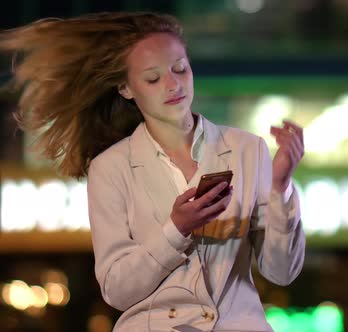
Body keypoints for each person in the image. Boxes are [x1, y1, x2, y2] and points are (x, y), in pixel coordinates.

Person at [0, 12, 306, 332]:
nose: (173, 84)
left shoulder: (248, 149)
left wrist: (280, 188)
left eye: (180, 69)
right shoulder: (110, 168)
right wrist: (176, 229)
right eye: (153, 78)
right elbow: (117, 290)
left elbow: (282, 272)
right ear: (126, 88)